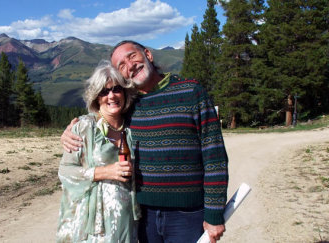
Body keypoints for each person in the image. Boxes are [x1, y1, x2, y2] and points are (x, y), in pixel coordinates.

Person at [61, 41, 229, 243]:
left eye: (132, 56)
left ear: (148, 54)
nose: (129, 66)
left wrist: (214, 214)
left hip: (187, 216)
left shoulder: (192, 93)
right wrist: (72, 129)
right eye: (121, 65)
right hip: (143, 217)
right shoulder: (129, 105)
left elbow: (215, 157)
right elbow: (102, 115)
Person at [56, 61, 141, 243]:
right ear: (96, 97)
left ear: (125, 92)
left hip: (128, 223)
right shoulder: (84, 127)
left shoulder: (133, 128)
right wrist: (104, 172)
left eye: (117, 89)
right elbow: (65, 172)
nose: (111, 96)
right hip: (95, 226)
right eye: (104, 91)